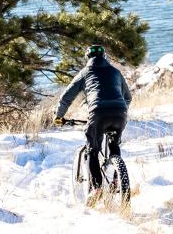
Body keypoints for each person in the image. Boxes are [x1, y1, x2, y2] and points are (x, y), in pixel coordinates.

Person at [54, 44, 133, 192]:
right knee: (114, 145)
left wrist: (58, 116)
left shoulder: (85, 72)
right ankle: (117, 181)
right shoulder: (116, 72)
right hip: (120, 113)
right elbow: (128, 97)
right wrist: (120, 110)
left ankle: (96, 189)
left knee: (92, 150)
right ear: (104, 57)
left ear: (88, 58)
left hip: (98, 112)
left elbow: (66, 98)